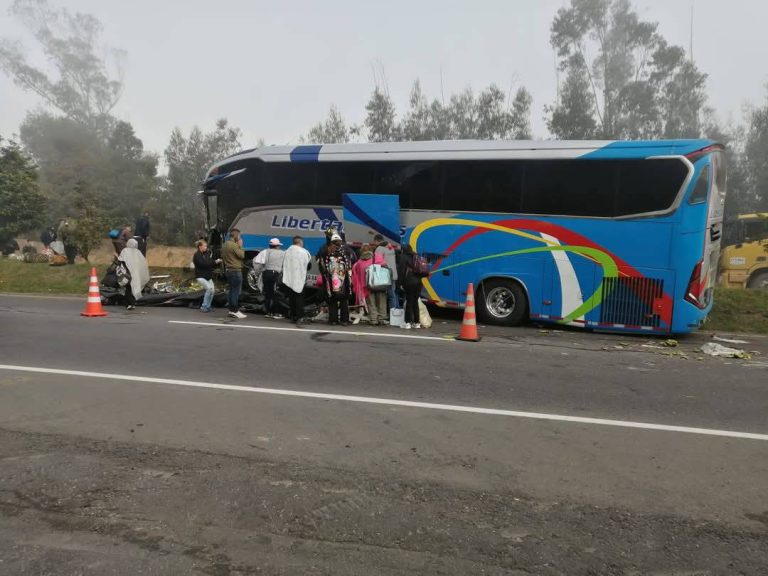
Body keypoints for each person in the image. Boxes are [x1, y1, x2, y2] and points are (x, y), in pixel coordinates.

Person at [352, 245, 389, 326]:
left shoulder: (359, 263)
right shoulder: (377, 258)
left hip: (367, 286)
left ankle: (374, 319)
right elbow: (386, 266)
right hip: (380, 283)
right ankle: (382, 319)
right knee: (381, 302)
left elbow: (357, 276)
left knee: (371, 303)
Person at [321, 233, 352, 326]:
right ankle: (345, 320)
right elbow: (351, 263)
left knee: (332, 301)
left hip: (331, 280)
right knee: (343, 300)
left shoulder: (326, 251)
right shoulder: (346, 251)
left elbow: (322, 266)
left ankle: (333, 320)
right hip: (343, 281)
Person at [252, 237, 285, 318]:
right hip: (276, 274)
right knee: (275, 293)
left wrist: (258, 273)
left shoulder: (265, 252)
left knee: (267, 293)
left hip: (266, 273)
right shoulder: (283, 253)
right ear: (277, 246)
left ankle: (268, 312)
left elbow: (256, 262)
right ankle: (276, 313)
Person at [282, 236, 312, 324]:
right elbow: (308, 265)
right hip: (299, 278)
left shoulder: (287, 251)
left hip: (289, 278)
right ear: (300, 242)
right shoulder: (303, 252)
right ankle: (300, 317)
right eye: (302, 243)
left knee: (291, 298)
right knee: (299, 298)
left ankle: (293, 316)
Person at [221, 228, 247, 319]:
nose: (240, 238)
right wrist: (240, 245)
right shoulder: (234, 245)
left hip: (228, 270)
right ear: (236, 236)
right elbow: (242, 255)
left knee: (231, 291)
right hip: (235, 271)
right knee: (236, 292)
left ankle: (231, 310)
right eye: (239, 236)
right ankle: (235, 310)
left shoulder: (224, 245)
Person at [118, 238, 150, 310]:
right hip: (135, 273)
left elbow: (121, 260)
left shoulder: (125, 251)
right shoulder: (138, 252)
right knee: (133, 288)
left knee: (129, 288)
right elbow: (143, 263)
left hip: (128, 273)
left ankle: (129, 304)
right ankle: (131, 303)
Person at [397, 244, 422, 329]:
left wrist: (399, 283)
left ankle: (407, 323)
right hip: (419, 282)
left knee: (409, 302)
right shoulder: (417, 256)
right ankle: (417, 322)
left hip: (409, 282)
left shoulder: (404, 257)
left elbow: (401, 271)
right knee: (415, 302)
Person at [373, 234, 399, 313]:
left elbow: (378, 262)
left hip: (386, 275)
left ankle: (392, 314)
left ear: (377, 241)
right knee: (393, 294)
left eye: (374, 242)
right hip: (393, 273)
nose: (374, 244)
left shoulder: (379, 249)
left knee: (389, 295)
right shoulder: (391, 247)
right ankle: (396, 312)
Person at [193, 239, 221, 312]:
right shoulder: (196, 255)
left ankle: (208, 306)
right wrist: (214, 262)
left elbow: (210, 262)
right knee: (209, 289)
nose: (206, 247)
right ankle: (203, 306)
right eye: (204, 246)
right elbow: (203, 264)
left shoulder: (207, 253)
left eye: (206, 246)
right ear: (200, 247)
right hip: (200, 276)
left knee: (212, 291)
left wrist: (215, 261)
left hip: (208, 276)